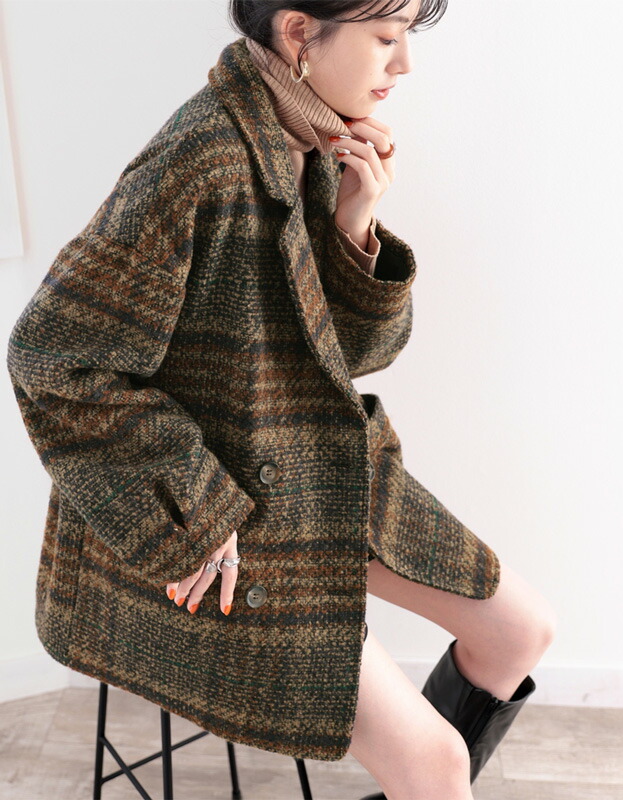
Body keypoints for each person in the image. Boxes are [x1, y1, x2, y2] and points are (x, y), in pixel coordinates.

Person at [7, 1, 557, 798]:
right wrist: (198, 514)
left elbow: (353, 358)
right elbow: (53, 355)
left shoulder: (311, 140)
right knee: (436, 763)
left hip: (310, 470)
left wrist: (355, 226)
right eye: (386, 38)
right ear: (299, 32)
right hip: (222, 519)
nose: (404, 64)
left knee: (521, 632)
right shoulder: (202, 157)